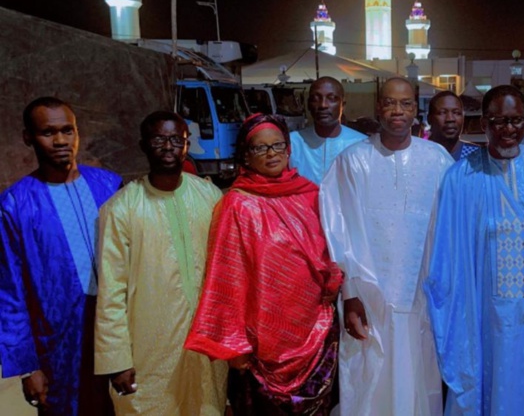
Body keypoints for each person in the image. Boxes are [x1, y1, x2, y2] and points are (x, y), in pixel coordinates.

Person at [425, 85, 524, 415]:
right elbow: (447, 259)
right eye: (499, 121)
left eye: (517, 121)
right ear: (483, 124)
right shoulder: (461, 178)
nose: (510, 130)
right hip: (487, 321)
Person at [185, 113, 343, 415]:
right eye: (261, 148)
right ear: (246, 154)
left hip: (315, 332)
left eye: (278, 145)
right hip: (262, 346)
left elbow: (330, 253)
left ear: (288, 149)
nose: (272, 154)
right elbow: (226, 278)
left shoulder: (310, 194)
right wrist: (237, 348)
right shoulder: (237, 204)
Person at [320, 77, 452, 415]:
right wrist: (349, 294)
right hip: (369, 300)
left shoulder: (437, 160)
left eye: (406, 103)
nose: (398, 111)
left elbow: (452, 232)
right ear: (379, 107)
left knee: (419, 381)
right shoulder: (352, 162)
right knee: (369, 382)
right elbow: (338, 231)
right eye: (390, 103)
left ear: (415, 110)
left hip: (422, 298)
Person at [94, 111, 227, 415]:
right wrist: (116, 359)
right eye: (158, 140)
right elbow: (111, 292)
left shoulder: (208, 195)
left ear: (186, 144)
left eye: (175, 140)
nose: (168, 147)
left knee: (206, 405)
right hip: (148, 348)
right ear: (143, 145)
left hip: (206, 343)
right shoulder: (121, 209)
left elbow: (226, 271)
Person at [0, 97, 120, 415]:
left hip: (116, 332)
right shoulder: (15, 205)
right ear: (28, 137)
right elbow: (10, 293)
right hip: (58, 343)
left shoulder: (109, 186)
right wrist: (29, 367)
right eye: (48, 132)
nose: (61, 140)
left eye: (68, 130)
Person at [290, 77, 366, 184]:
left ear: (342, 105)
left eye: (331, 98)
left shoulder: (362, 144)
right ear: (308, 105)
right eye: (316, 99)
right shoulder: (292, 143)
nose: (323, 105)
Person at [427, 90, 479, 161]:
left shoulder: (477, 156)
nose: (450, 119)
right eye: (442, 112)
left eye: (456, 113)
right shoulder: (418, 154)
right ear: (429, 119)